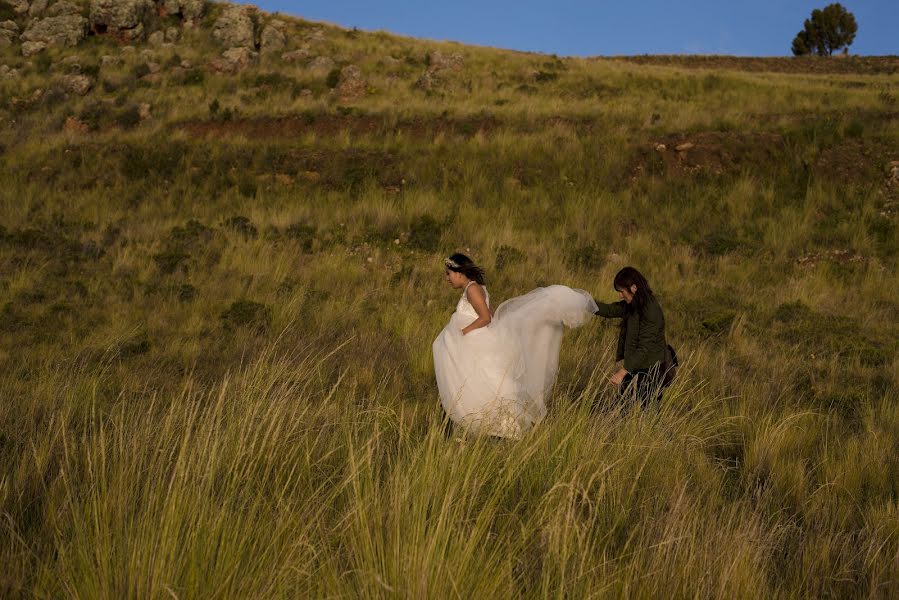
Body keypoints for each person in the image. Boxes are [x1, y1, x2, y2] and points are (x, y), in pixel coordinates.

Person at [432, 253, 598, 439]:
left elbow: (486, 317)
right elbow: (491, 315)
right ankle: (472, 427)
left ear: (460, 272)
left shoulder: (472, 289)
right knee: (475, 381)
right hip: (476, 341)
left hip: (474, 341)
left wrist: (463, 332)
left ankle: (494, 428)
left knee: (483, 383)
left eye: (448, 274)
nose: (447, 279)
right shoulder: (475, 288)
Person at [593, 267, 668, 410]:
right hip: (633, 366)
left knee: (648, 414)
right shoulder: (633, 304)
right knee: (622, 409)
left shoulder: (650, 310)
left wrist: (622, 372)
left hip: (650, 370)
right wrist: (585, 302)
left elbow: (644, 348)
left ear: (633, 288)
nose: (620, 296)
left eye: (621, 291)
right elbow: (609, 310)